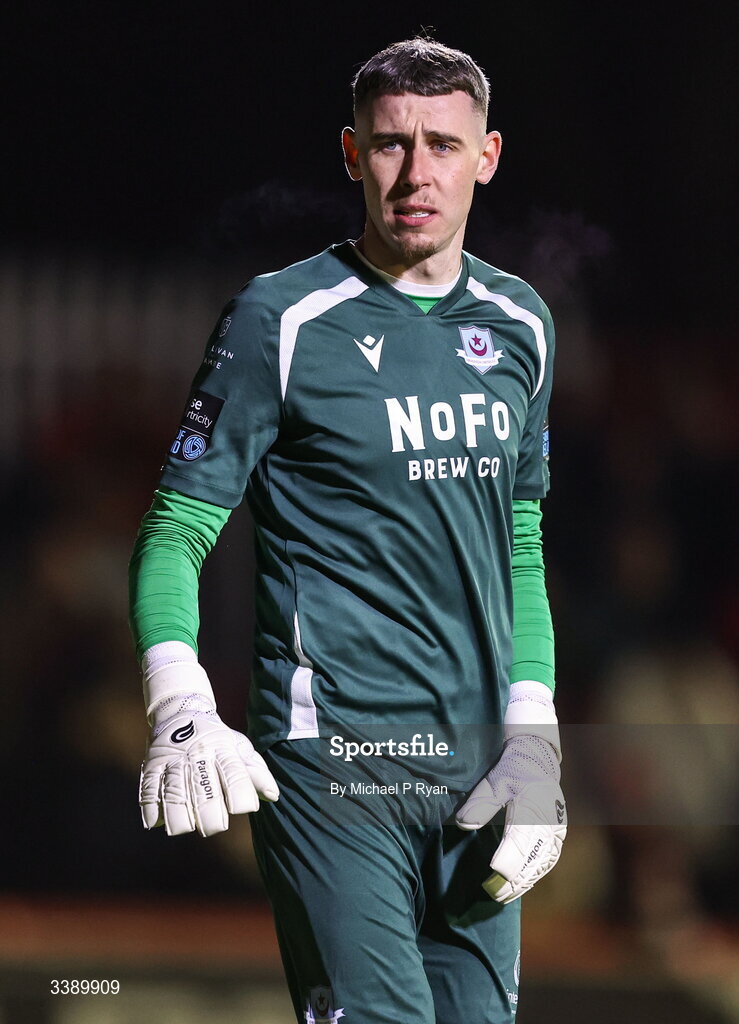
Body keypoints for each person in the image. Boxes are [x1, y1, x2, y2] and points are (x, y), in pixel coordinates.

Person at [129, 36, 566, 1024]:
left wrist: (534, 734)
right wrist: (178, 699)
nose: (415, 174)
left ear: (486, 155)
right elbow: (173, 531)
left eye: (442, 145)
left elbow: (520, 544)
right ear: (350, 152)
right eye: (389, 144)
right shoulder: (279, 319)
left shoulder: (522, 323)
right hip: (334, 769)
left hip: (477, 773)